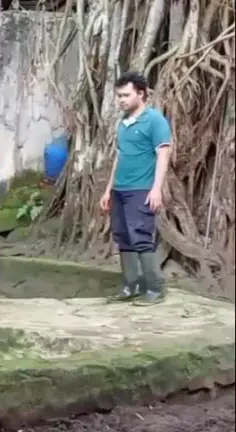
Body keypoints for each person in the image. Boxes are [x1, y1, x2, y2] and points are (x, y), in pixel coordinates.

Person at [99, 71, 172, 306]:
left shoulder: (155, 120)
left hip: (141, 189)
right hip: (120, 190)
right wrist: (108, 189)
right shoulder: (123, 123)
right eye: (118, 96)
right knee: (123, 238)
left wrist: (156, 189)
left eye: (126, 95)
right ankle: (131, 285)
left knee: (141, 237)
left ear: (141, 93)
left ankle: (155, 288)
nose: (121, 100)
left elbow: (163, 153)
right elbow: (119, 157)